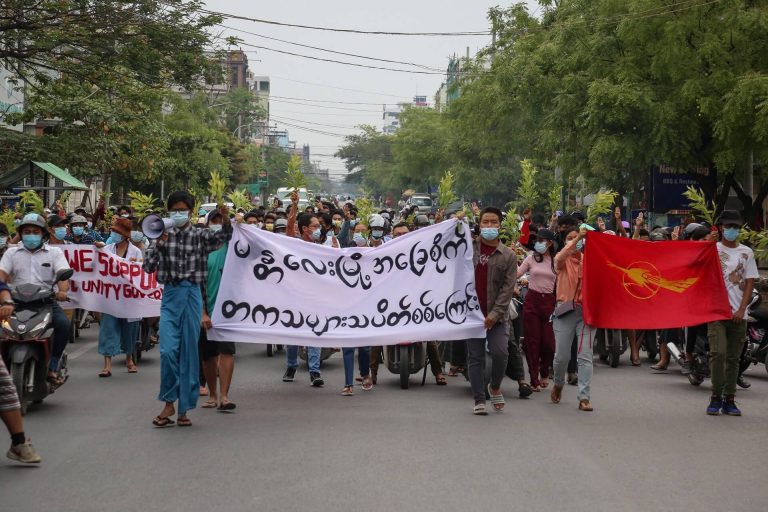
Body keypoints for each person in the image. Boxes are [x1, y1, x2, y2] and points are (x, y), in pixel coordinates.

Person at [142, 191, 232, 428]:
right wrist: (158, 245)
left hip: (193, 295)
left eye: (182, 209)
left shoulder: (201, 236)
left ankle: (183, 409)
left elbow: (225, 237)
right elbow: (148, 268)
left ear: (191, 212)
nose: (178, 213)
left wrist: (227, 218)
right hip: (170, 295)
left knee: (189, 352)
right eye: (174, 209)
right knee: (168, 351)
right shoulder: (161, 234)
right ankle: (169, 401)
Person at [0, 213, 71, 387]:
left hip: (45, 302)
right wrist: (5, 298)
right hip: (14, 303)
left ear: (43, 234)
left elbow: (63, 274)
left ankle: (53, 365)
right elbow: (2, 274)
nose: (31, 235)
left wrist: (62, 291)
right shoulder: (11, 253)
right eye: (27, 231)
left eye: (35, 231)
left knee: (63, 325)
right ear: (21, 233)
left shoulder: (54, 253)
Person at [706, 211, 757, 416]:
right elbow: (692, 260)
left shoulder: (747, 252)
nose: (732, 230)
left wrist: (742, 309)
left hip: (738, 314)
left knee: (734, 358)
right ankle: (715, 396)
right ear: (721, 227)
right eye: (729, 226)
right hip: (716, 312)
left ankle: (730, 399)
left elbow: (750, 282)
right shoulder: (712, 249)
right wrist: (706, 242)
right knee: (718, 354)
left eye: (736, 227)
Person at [465, 207, 516, 415]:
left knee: (500, 352)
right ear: (479, 224)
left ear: (499, 225)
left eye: (493, 222)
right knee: (475, 357)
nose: (489, 226)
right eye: (485, 222)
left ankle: (494, 385)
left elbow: (507, 289)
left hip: (498, 316)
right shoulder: (467, 249)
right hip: (471, 314)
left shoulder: (508, 255)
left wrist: (494, 315)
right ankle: (479, 399)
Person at [551, 226, 596, 411]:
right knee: (562, 356)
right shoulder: (561, 261)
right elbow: (559, 257)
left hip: (586, 314)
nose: (574, 240)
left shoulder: (591, 261)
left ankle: (584, 397)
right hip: (565, 312)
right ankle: (558, 383)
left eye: (576, 237)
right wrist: (577, 239)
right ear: (565, 242)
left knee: (585, 356)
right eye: (570, 237)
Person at [282, 194, 325, 387]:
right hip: (294, 296)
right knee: (294, 333)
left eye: (319, 225)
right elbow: (290, 225)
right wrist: (294, 205)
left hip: (314, 297)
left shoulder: (322, 249)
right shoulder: (295, 245)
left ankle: (314, 371)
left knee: (314, 332)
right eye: (315, 226)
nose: (319, 229)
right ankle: (292, 365)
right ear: (305, 229)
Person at [0, 281, 42, 463]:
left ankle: (19, 443)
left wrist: (7, 303)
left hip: (37, 305)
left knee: (6, 388)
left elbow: (2, 289)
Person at [199, 211, 237, 411]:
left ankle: (224, 396)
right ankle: (213, 395)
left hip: (229, 311)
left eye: (220, 222)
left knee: (227, 351)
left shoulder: (234, 249)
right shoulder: (201, 249)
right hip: (207, 309)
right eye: (213, 222)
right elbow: (197, 283)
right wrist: (203, 312)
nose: (217, 225)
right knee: (208, 355)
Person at [96, 217, 142, 377]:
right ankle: (107, 364)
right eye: (113, 231)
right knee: (108, 328)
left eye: (116, 231)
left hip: (129, 297)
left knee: (130, 329)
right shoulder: (107, 249)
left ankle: (130, 360)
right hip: (111, 296)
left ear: (124, 235)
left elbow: (140, 272)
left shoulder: (135, 251)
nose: (113, 233)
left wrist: (136, 263)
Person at [517, 228, 557, 391]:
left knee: (549, 344)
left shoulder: (556, 261)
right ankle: (534, 379)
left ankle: (544, 370)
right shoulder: (531, 258)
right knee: (532, 342)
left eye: (542, 240)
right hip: (532, 301)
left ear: (550, 243)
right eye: (537, 240)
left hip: (549, 303)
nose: (538, 243)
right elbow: (517, 274)